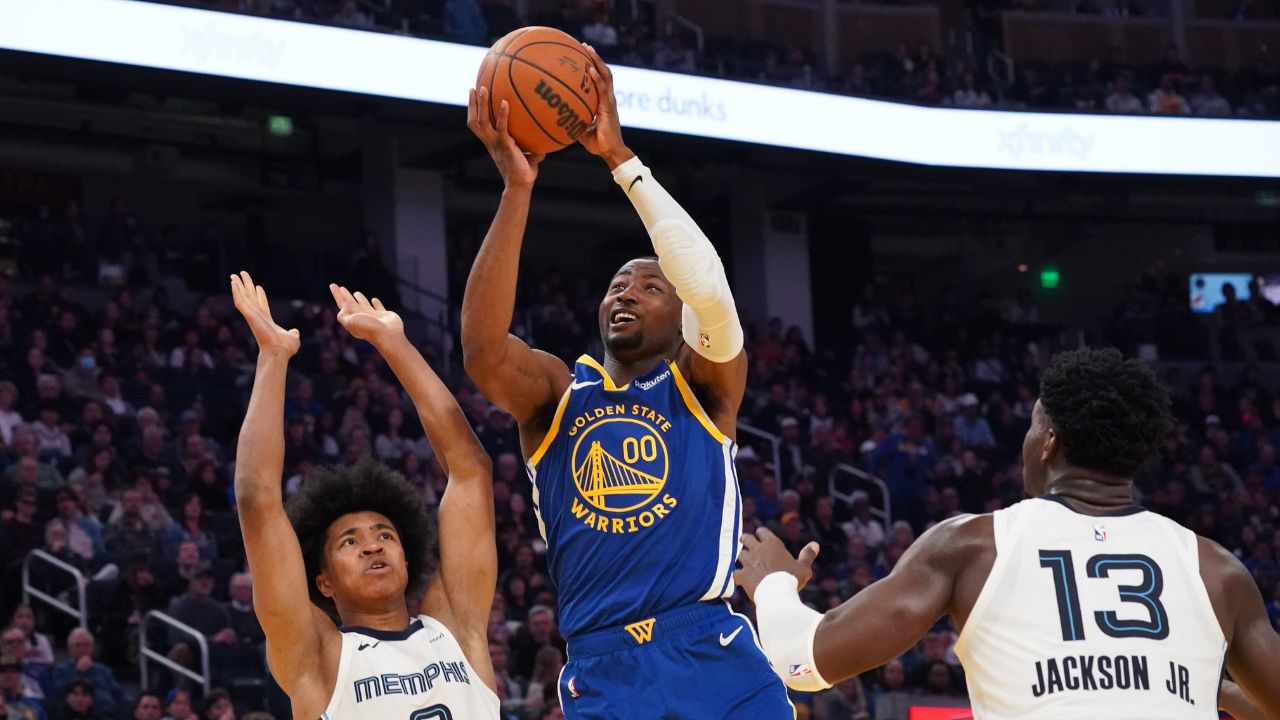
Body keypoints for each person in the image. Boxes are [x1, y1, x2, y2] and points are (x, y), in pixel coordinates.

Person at [463, 46, 791, 718]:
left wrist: (620, 160)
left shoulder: (705, 388)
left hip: (709, 645)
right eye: (617, 284)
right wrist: (516, 191)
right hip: (603, 664)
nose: (627, 293)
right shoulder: (559, 394)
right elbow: (482, 353)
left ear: (680, 320)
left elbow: (708, 287)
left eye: (649, 285)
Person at [737, 347, 1280, 718]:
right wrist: (1218, 692)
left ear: (1048, 441)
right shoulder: (1217, 569)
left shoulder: (973, 547)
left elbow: (801, 662)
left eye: (1032, 425)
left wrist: (774, 585)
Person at [228, 272, 499, 719]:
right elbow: (256, 500)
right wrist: (272, 356)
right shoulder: (317, 657)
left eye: (385, 535)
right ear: (323, 581)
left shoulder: (457, 627)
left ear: (407, 557)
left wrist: (396, 345)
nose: (373, 545)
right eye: (349, 542)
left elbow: (470, 471)